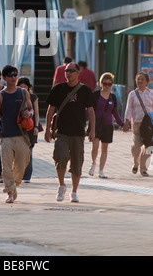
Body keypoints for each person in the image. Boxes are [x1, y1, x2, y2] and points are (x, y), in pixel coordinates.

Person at [45, 62, 95, 203]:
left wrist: (92, 130)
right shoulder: (58, 89)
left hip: (78, 132)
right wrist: (48, 129)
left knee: (77, 162)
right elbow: (50, 109)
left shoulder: (85, 90)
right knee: (60, 157)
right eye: (67, 71)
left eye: (71, 71)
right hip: (61, 131)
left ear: (78, 73)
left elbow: (91, 111)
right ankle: (61, 185)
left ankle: (74, 191)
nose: (68, 73)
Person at [0, 65, 32, 204]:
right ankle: (10, 192)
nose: (14, 77)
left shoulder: (23, 93)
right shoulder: (0, 96)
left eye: (15, 74)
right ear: (4, 78)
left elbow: (31, 109)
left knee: (22, 163)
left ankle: (14, 184)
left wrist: (29, 113)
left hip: (21, 135)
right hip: (5, 135)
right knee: (6, 166)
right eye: (11, 75)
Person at [88, 72, 129, 179]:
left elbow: (115, 113)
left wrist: (122, 124)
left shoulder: (113, 97)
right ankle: (93, 163)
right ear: (101, 83)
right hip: (96, 124)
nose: (107, 86)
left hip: (108, 125)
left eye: (109, 84)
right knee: (95, 148)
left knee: (104, 149)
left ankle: (101, 170)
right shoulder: (95, 95)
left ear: (112, 85)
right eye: (105, 83)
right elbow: (89, 110)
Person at [124, 71, 153, 177]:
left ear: (147, 82)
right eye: (138, 79)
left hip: (149, 125)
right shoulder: (132, 94)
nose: (140, 81)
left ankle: (143, 169)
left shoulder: (152, 93)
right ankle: (136, 162)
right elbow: (129, 109)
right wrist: (126, 122)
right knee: (135, 147)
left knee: (148, 147)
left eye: (142, 79)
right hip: (137, 124)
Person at [16, 76, 40, 182]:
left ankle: (27, 176)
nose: (23, 90)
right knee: (18, 152)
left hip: (30, 127)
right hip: (18, 127)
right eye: (21, 87)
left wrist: (36, 127)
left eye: (25, 87)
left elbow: (36, 113)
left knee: (29, 152)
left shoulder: (33, 97)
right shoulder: (15, 97)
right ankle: (18, 174)